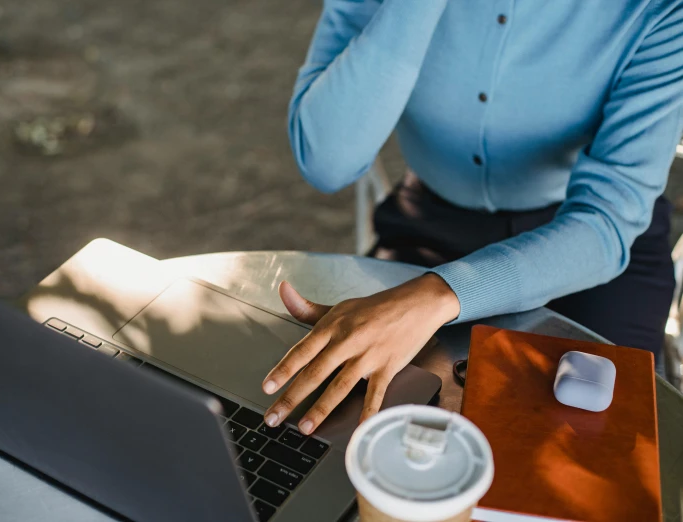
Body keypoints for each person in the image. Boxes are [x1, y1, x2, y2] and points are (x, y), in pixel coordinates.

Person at [261, 0, 683, 436]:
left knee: (600, 447)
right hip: (433, 218)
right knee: (365, 430)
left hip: (591, 241)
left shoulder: (659, 9)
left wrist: (440, 293)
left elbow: (608, 218)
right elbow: (326, 161)